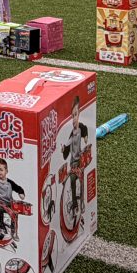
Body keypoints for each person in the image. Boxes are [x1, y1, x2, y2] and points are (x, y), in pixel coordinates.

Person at [60, 96, 90, 224]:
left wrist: (86, 137)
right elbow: (67, 147)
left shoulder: (82, 127)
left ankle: (81, 205)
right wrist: (64, 149)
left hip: (80, 162)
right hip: (73, 163)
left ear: (80, 114)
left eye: (76, 114)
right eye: (72, 116)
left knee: (80, 182)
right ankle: (75, 205)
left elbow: (85, 131)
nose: (74, 118)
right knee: (72, 182)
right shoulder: (71, 133)